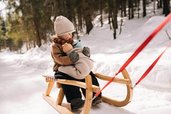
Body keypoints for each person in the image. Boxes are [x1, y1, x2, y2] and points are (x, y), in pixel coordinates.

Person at [51, 15, 102, 111]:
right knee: (67, 80)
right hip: (62, 69)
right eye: (67, 34)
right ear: (60, 34)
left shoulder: (73, 42)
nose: (70, 36)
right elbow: (59, 59)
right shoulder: (55, 45)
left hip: (76, 66)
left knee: (88, 74)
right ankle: (75, 100)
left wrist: (85, 54)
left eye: (70, 33)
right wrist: (71, 59)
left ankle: (95, 95)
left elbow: (79, 55)